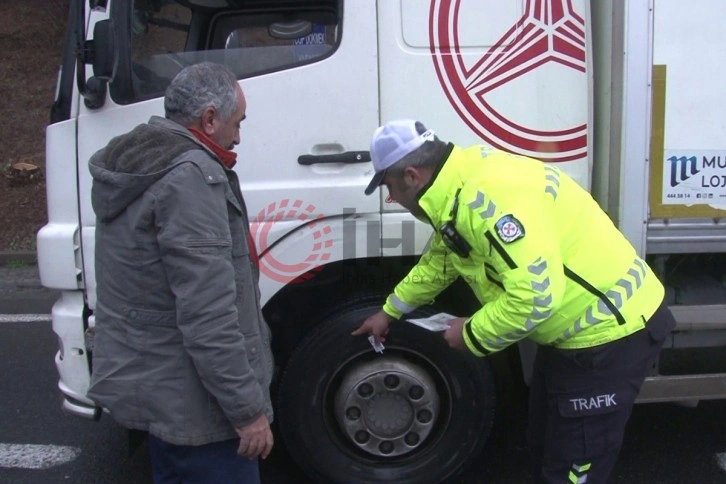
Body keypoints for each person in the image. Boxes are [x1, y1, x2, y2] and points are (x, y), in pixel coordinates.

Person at [353, 119, 676, 484]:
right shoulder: (459, 186)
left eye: (390, 187)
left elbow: (536, 296)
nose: (391, 198)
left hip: (609, 340)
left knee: (571, 472)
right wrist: (391, 310)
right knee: (543, 451)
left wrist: (471, 334)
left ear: (412, 175)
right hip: (574, 340)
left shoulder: (484, 199)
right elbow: (443, 260)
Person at [87, 62, 274, 483]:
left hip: (162, 393)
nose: (238, 136)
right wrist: (247, 413)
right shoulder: (189, 179)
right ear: (209, 119)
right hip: (201, 412)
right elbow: (209, 317)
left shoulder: (139, 162)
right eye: (236, 123)